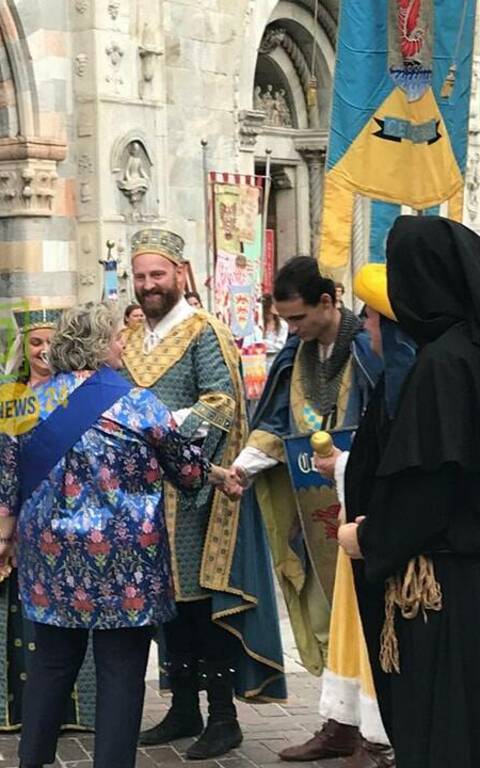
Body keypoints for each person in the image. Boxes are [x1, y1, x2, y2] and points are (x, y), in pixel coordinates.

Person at [0, 302, 235, 768]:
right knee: (121, 668)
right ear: (101, 345)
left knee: (50, 661)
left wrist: (5, 539)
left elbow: (10, 479)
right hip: (127, 558)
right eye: (118, 337)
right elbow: (186, 472)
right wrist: (215, 472)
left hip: (49, 553)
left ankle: (32, 761)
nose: (123, 343)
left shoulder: (22, 403)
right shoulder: (138, 401)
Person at [122, 228, 286, 760]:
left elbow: (221, 403)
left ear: (180, 274)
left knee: (199, 603)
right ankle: (183, 706)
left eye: (158, 275)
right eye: (141, 276)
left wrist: (158, 425)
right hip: (143, 493)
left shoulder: (203, 331)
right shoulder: (127, 341)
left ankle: (222, 715)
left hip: (195, 491)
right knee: (166, 606)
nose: (148, 285)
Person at [228, 257, 382, 762]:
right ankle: (338, 722)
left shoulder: (367, 350)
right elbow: (276, 418)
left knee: (367, 617)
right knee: (326, 613)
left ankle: (375, 734)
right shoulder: (296, 354)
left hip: (363, 506)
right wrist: (245, 468)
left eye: (298, 319)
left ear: (328, 301)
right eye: (285, 321)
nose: (290, 330)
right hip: (310, 507)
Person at [339, 217, 480, 767]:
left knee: (444, 729)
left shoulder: (443, 365)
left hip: (445, 587)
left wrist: (369, 538)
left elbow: (429, 486)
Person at [0, 307, 96, 732]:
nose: (43, 350)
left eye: (51, 342)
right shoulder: (2, 391)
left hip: (72, 520)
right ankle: (13, 712)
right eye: (35, 342)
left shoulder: (82, 390)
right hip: (10, 519)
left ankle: (78, 711)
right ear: (23, 348)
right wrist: (4, 474)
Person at [311, 263, 411, 768]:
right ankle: (355, 726)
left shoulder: (426, 378)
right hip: (365, 528)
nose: (366, 327)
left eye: (373, 319)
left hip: (396, 544)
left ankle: (381, 737)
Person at [261, 294, 289, 367]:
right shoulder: (259, 323)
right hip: (258, 363)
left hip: (274, 362)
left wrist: (262, 345)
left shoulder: (283, 324)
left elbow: (280, 346)